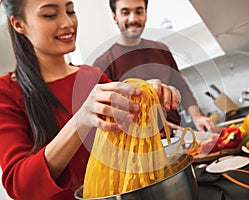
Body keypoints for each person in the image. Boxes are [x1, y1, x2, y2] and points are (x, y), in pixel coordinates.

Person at [0, 0, 181, 199]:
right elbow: (21, 186)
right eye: (50, 15)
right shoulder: (6, 92)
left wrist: (150, 99)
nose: (68, 22)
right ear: (19, 24)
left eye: (70, 11)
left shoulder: (93, 77)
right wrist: (80, 120)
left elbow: (135, 136)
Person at [93, 0, 217, 133]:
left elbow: (182, 88)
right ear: (114, 16)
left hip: (175, 138)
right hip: (137, 147)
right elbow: (106, 116)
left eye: (139, 11)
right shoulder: (103, 63)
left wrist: (198, 117)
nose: (133, 18)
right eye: (125, 12)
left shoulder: (161, 49)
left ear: (145, 14)